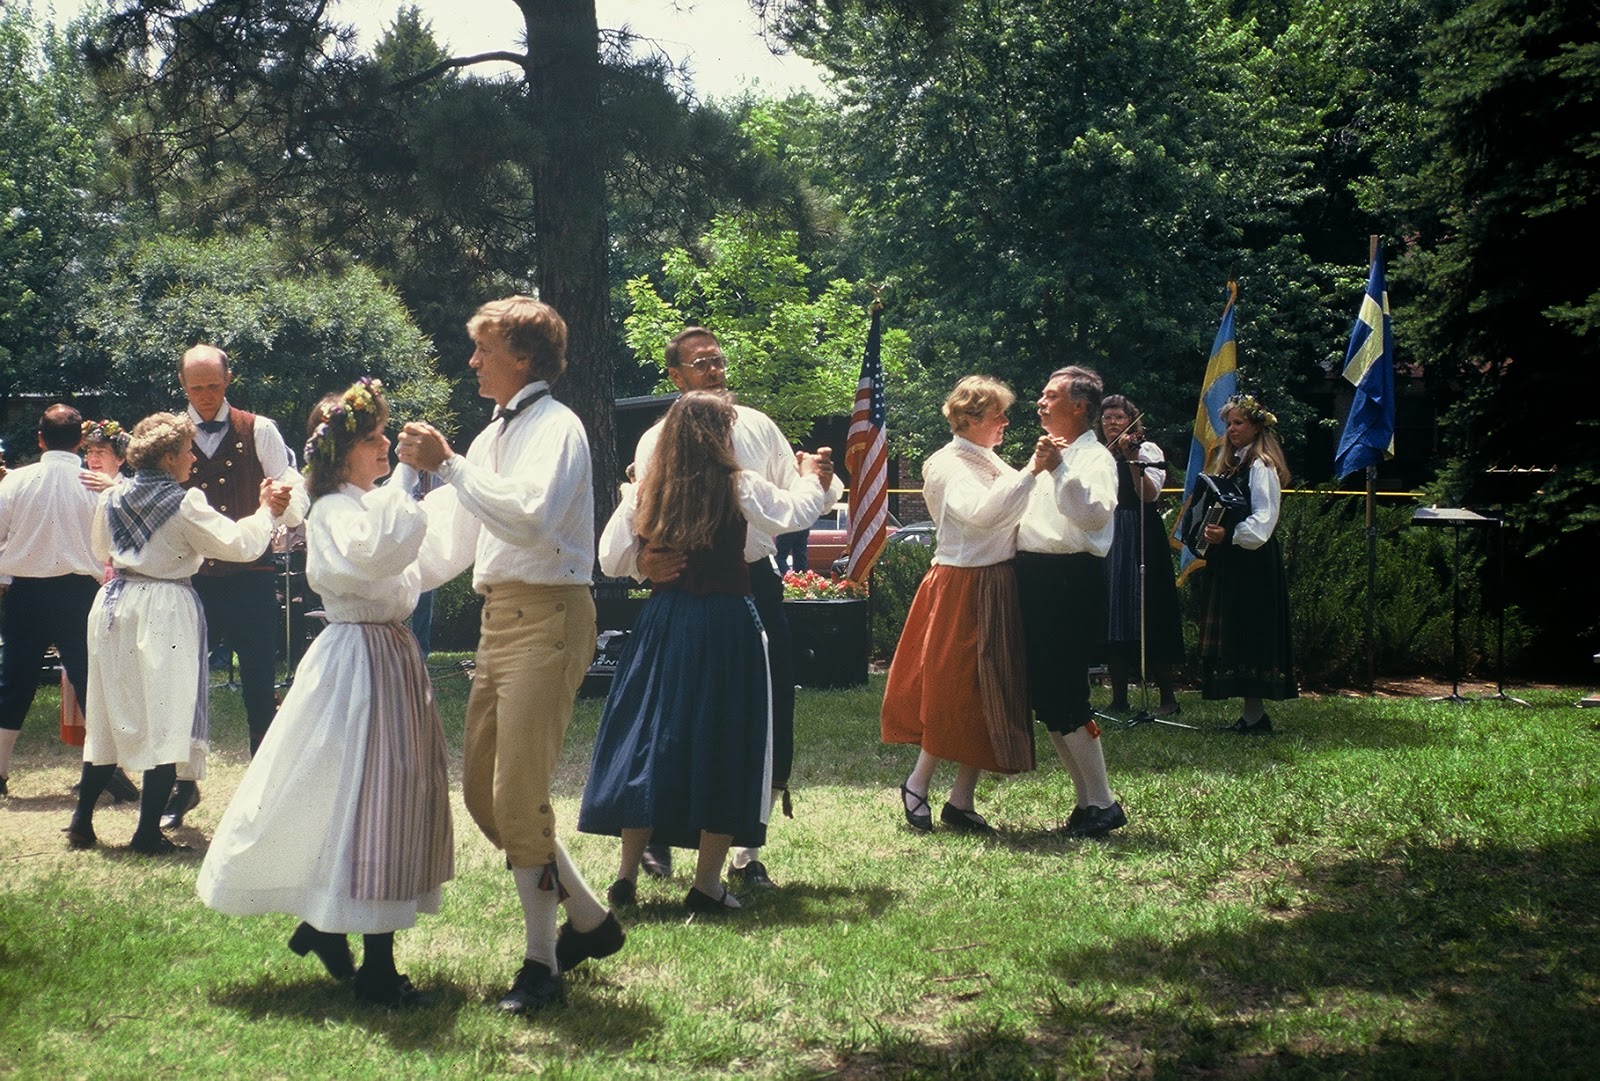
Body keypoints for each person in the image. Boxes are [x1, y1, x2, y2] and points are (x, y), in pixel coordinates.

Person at [397, 296, 622, 1015]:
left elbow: (529, 517)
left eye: (483, 349)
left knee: (519, 796)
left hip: (550, 615)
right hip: (499, 621)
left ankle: (541, 963)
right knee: (483, 797)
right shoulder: (494, 434)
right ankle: (589, 919)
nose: (472, 361)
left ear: (523, 357)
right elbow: (448, 544)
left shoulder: (558, 426)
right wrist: (368, 569)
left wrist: (450, 464)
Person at [198, 379, 453, 1008]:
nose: (385, 445)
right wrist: (407, 482)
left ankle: (328, 927)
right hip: (361, 661)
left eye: (384, 436)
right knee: (372, 794)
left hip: (383, 655)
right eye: (372, 439)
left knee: (371, 794)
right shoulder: (338, 509)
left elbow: (418, 558)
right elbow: (375, 556)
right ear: (340, 454)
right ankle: (375, 968)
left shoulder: (360, 502)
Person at [584, 391, 831, 910]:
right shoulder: (737, 484)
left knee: (652, 735)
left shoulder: (647, 487)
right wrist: (812, 476)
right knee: (725, 739)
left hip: (664, 622)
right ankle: (706, 885)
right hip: (723, 621)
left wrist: (643, 563)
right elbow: (795, 512)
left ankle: (626, 874)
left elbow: (608, 558)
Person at [66, 412, 289, 854]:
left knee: (110, 709)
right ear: (169, 457)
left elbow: (100, 549)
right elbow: (239, 545)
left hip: (115, 603)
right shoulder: (186, 503)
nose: (193, 458)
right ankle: (147, 833)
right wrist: (266, 510)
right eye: (187, 450)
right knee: (169, 712)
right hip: (164, 604)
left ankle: (82, 820)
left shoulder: (112, 496)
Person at [882, 375, 1061, 833]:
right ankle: (917, 783)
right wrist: (1032, 470)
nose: (1005, 422)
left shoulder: (986, 458)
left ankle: (960, 799)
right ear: (969, 418)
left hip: (997, 580)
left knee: (991, 690)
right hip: (964, 582)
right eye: (998, 414)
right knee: (956, 690)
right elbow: (983, 515)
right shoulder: (949, 464)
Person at [168, 344, 309, 831]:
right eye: (196, 388)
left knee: (258, 684)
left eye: (213, 386)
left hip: (252, 575)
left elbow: (291, 489)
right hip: (193, 580)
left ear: (228, 380)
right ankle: (183, 784)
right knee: (184, 686)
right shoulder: (173, 433)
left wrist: (285, 500)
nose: (206, 397)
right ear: (183, 386)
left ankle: (266, 788)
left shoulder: (259, 429)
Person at [1015, 367, 1128, 839]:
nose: (1040, 402)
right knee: (1048, 698)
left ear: (1079, 406)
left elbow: (1092, 516)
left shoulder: (1094, 458)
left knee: (1066, 693)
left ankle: (1104, 801)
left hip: (1067, 579)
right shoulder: (1052, 453)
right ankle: (1086, 802)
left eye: (1050, 395)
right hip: (1036, 577)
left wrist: (1059, 470)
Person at [0, 406, 102, 799]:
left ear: (40, 439)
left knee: (15, 681)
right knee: (90, 680)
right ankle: (105, 768)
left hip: (26, 593)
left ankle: (1, 769)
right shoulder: (95, 484)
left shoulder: (15, 481)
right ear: (81, 440)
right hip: (79, 593)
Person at [1198, 393, 1297, 731]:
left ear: (1256, 427)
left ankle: (1256, 717)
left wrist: (1229, 535)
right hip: (1235, 561)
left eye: (1238, 422)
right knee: (1238, 632)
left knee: (1251, 631)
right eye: (1228, 423)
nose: (1231, 429)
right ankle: (1252, 715)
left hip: (1254, 563)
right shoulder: (1236, 465)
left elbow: (1263, 522)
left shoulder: (1261, 466)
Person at [56, 420, 139, 804]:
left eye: (101, 452)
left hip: (121, 591)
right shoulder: (78, 485)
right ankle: (97, 767)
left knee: (115, 680)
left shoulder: (128, 489)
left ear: (120, 458)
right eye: (88, 451)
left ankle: (116, 767)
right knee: (85, 681)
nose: (92, 458)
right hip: (87, 591)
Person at [1099, 395, 1183, 716]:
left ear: (1131, 420)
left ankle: (1167, 698)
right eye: (1107, 418)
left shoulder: (1146, 450)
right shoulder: (1099, 455)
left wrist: (1131, 456)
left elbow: (1148, 495)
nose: (1112, 423)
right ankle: (1118, 698)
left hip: (1141, 533)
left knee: (1150, 608)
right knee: (1113, 613)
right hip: (1109, 535)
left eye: (1119, 417)